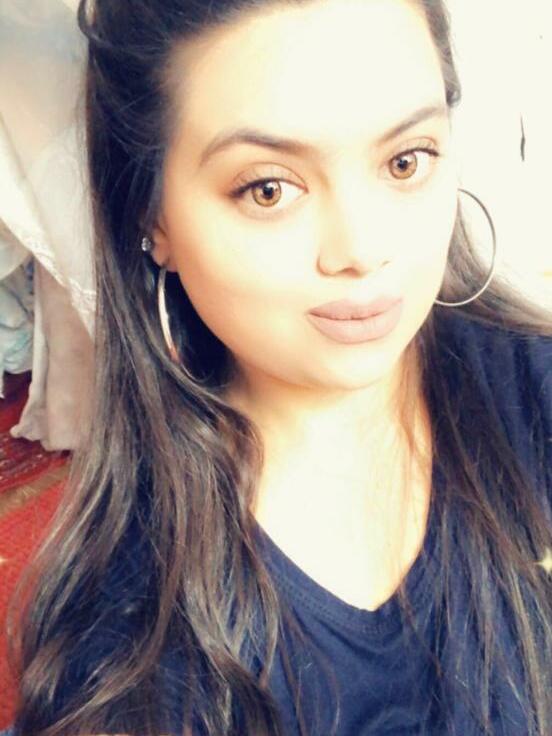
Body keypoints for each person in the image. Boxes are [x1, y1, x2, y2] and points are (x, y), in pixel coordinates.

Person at [5, 0, 551, 734]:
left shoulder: (533, 392)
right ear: (153, 216)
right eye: (268, 188)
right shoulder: (128, 644)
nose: (362, 249)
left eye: (404, 161)